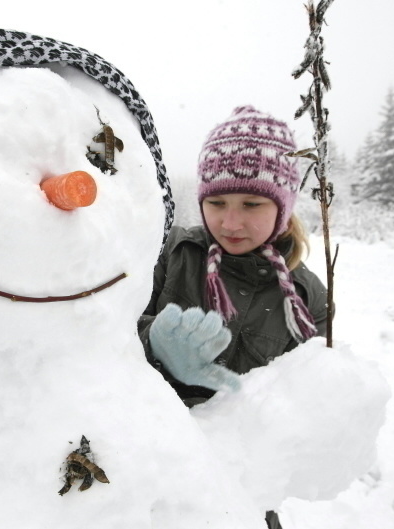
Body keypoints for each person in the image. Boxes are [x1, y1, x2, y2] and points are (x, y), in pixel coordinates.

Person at [137, 105, 329, 529]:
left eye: (252, 203)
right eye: (217, 201)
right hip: (152, 462)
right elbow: (98, 336)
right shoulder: (172, 253)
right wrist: (154, 342)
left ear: (283, 205)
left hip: (241, 484)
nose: (230, 221)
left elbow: (316, 400)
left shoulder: (306, 297)